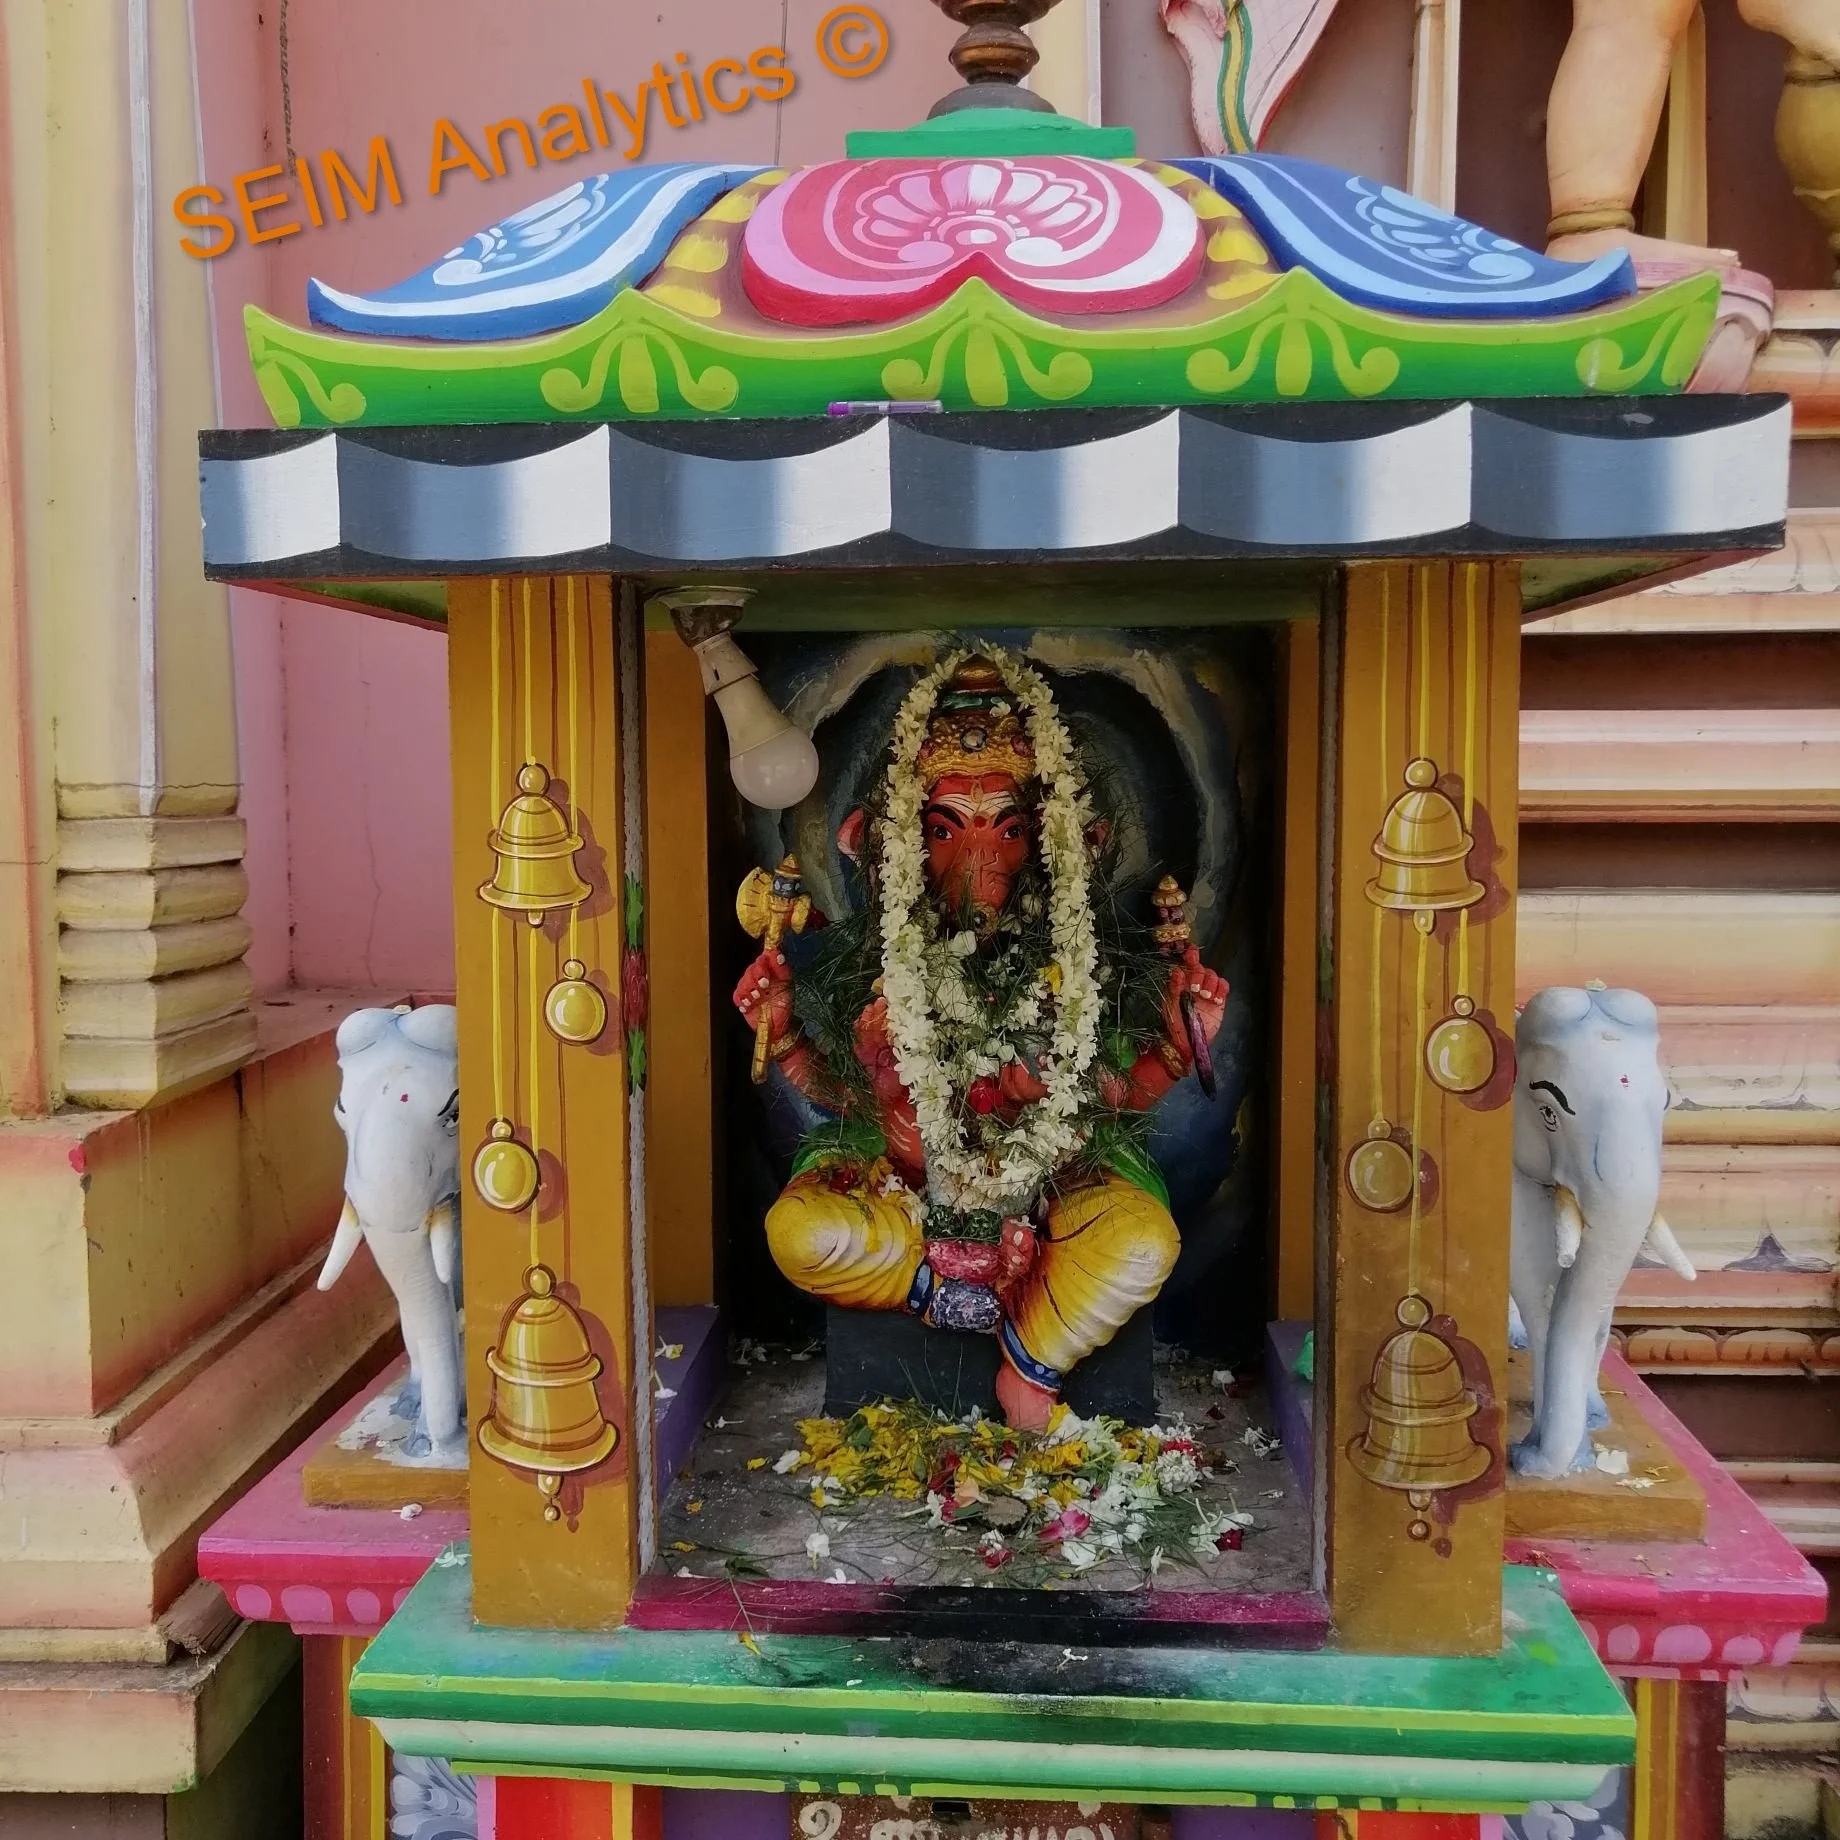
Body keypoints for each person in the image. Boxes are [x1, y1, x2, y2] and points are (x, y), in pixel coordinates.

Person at [732, 654, 1228, 1429]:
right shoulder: (888, 963)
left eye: (1009, 829)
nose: (980, 864)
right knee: (801, 1233)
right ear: (885, 842)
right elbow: (843, 1100)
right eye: (944, 830)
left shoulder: (1074, 967)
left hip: (1053, 1204)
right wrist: (792, 1035)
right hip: (911, 1212)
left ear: (1071, 843)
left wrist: (1173, 1045)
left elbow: (1116, 1100)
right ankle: (957, 1298)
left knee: (1139, 1241)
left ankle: (1029, 1370)